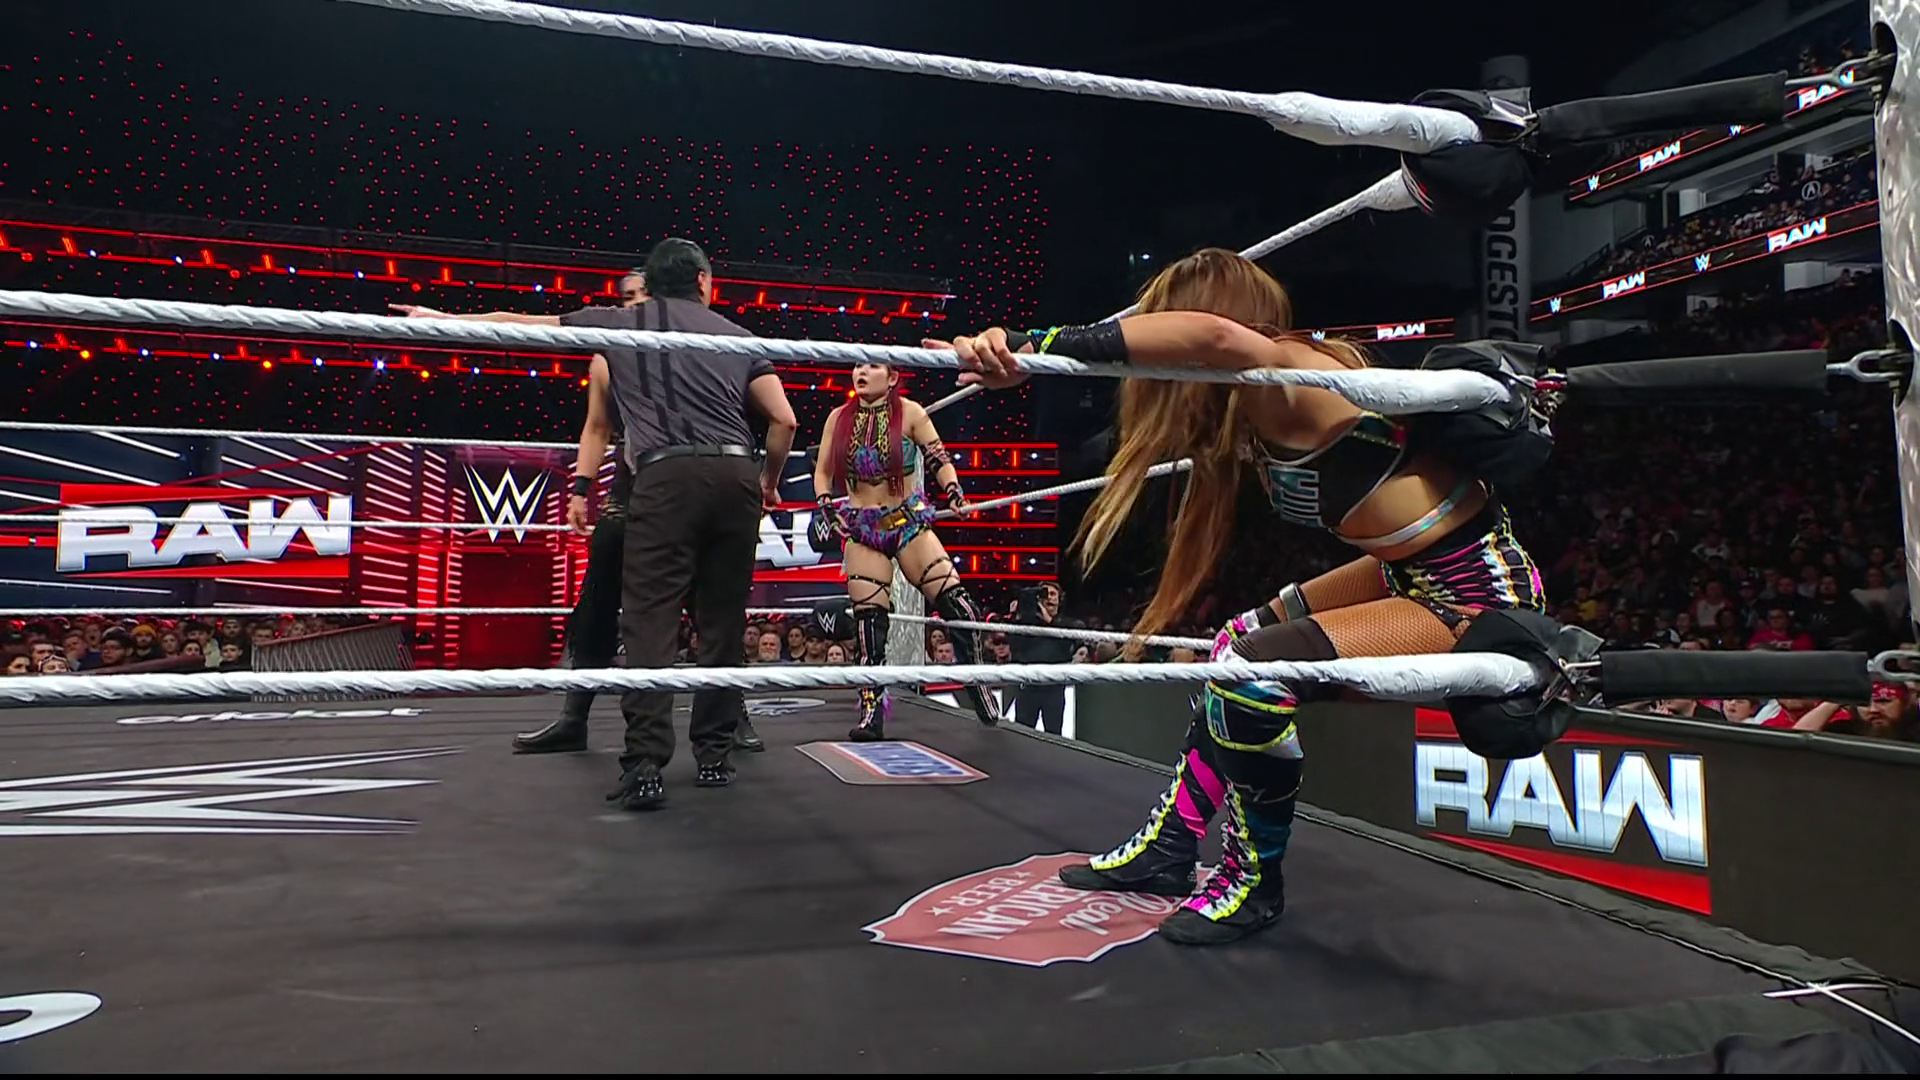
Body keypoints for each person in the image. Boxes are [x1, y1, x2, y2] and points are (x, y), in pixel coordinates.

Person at [933, 247, 1548, 946]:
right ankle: (1170, 847)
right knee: (1233, 643)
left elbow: (1213, 338)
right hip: (1404, 574)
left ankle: (1254, 882)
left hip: (1474, 594)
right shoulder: (1251, 405)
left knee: (1251, 676)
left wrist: (1034, 346)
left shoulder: (1289, 378)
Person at [398, 270, 766, 756]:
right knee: (597, 599)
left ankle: (730, 713)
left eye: (642, 295)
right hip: (635, 484)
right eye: (627, 297)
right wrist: (580, 489)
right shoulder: (610, 352)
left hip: (685, 481)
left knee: (710, 601)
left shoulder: (698, 347)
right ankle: (575, 715)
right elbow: (596, 426)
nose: (634, 304)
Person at [559, 238, 797, 810]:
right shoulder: (735, 334)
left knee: (650, 618)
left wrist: (441, 318)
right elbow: (785, 419)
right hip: (736, 474)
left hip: (665, 476)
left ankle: (645, 765)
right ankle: (714, 756)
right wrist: (768, 481)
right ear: (703, 282)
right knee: (722, 619)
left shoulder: (622, 325)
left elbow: (523, 325)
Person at [809, 362, 1002, 740]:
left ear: (892, 377)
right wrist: (826, 506)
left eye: (872, 366)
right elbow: (822, 472)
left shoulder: (911, 412)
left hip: (907, 521)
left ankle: (976, 681)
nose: (861, 373)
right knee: (868, 626)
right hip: (863, 528)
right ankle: (871, 713)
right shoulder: (838, 418)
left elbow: (938, 457)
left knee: (959, 605)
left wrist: (953, 490)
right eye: (858, 365)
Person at [1007, 582, 1072, 735]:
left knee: (1054, 735)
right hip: (1029, 686)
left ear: (1060, 600)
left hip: (1053, 688)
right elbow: (1014, 646)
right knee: (1023, 734)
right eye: (1045, 593)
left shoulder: (1066, 624)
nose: (1049, 597)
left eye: (1053, 594)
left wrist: (1048, 620)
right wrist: (1015, 616)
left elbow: (1068, 644)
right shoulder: (1028, 624)